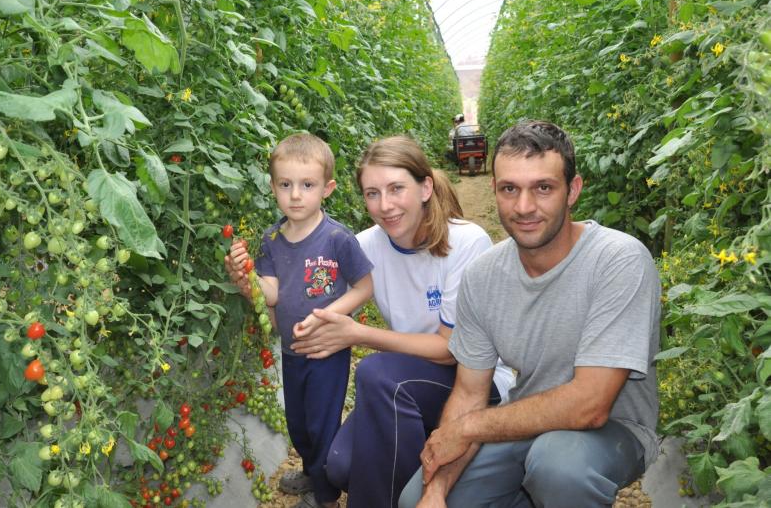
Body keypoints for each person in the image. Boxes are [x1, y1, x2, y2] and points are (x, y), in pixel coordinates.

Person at [398, 120, 661, 508]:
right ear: (494, 189)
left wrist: (469, 428)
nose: (524, 207)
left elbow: (590, 406)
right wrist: (436, 490)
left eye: (543, 188)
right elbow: (469, 394)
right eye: (510, 189)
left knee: (558, 468)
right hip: (527, 424)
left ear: (572, 190)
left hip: (613, 430)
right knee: (415, 500)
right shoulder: (483, 276)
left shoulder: (618, 261)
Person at [285, 135, 515, 508]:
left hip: (474, 384)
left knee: (377, 373)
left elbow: (450, 350)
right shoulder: (365, 246)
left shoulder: (466, 242)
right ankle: (418, 455)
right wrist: (256, 284)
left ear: (425, 188)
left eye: (396, 189)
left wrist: (358, 334)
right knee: (340, 467)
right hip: (404, 386)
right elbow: (307, 290)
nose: (385, 205)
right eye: (372, 193)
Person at [226, 133, 374, 508]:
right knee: (299, 424)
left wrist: (331, 315)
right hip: (291, 352)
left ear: (327, 189)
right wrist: (245, 277)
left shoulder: (337, 238)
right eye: (285, 185)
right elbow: (270, 294)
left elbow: (364, 287)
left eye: (307, 185)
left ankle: (325, 498)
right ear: (272, 187)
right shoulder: (271, 239)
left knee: (321, 426)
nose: (295, 195)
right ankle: (312, 472)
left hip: (327, 352)